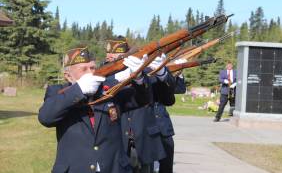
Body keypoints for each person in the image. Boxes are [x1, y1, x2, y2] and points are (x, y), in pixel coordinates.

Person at [38, 46, 151, 173]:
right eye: (83, 69)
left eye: (92, 68)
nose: (90, 73)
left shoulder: (108, 90)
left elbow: (142, 99)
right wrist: (79, 90)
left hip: (113, 168)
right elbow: (45, 118)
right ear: (68, 76)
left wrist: (139, 77)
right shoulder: (58, 93)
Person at [104, 37, 176, 173]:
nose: (109, 56)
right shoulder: (104, 73)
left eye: (114, 54)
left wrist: (162, 72)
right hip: (117, 139)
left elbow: (168, 99)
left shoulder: (145, 71)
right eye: (108, 54)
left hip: (143, 139)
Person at [153, 68, 186, 173]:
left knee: (166, 163)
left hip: (162, 123)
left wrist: (178, 75)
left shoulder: (163, 71)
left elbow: (179, 90)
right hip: (144, 122)